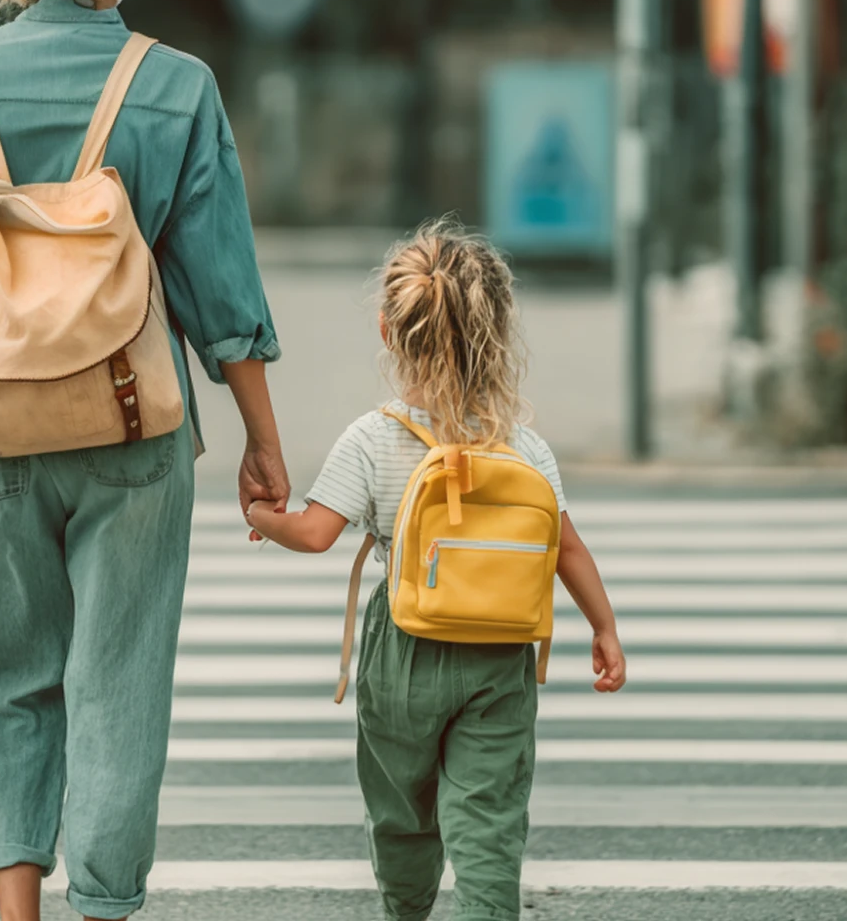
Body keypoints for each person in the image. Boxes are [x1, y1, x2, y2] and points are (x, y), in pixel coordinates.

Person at [0, 0, 286, 917]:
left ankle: (16, 906)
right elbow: (223, 293)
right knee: (120, 679)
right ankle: (103, 901)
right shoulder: (174, 86)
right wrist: (261, 440)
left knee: (8, 667)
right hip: (132, 430)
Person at [243, 220, 627, 921]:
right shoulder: (522, 445)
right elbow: (566, 546)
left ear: (389, 333)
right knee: (487, 818)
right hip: (500, 651)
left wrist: (264, 516)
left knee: (401, 810)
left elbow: (316, 533)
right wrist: (604, 626)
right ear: (498, 331)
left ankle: (406, 909)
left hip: (404, 649)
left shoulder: (372, 438)